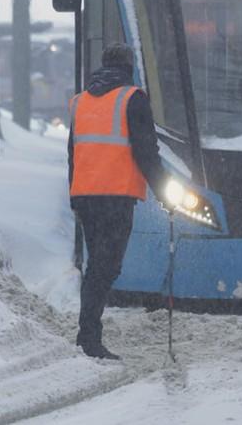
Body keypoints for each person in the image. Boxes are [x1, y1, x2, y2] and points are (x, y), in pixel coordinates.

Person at [68, 43, 166, 360]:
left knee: (99, 264)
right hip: (115, 196)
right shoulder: (132, 98)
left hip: (85, 196)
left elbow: (72, 153)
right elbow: (146, 152)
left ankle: (87, 333)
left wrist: (74, 193)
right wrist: (166, 193)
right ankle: (88, 337)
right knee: (105, 267)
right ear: (129, 66)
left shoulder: (81, 101)